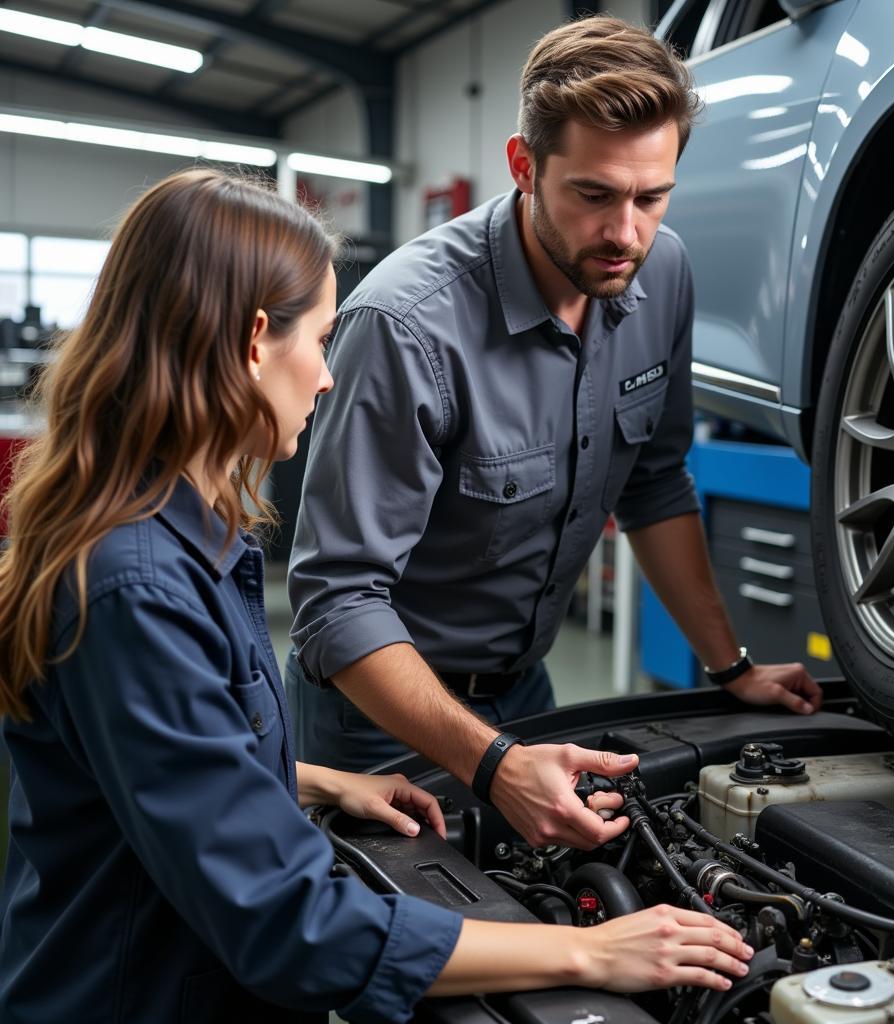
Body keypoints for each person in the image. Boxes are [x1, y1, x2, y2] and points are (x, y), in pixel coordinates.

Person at [0, 169, 754, 1024]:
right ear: (255, 342)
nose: (325, 379)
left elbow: (160, 763)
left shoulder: (187, 529)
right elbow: (291, 925)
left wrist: (311, 781)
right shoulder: (138, 585)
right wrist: (592, 950)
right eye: (320, 341)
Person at [286, 14, 824, 850]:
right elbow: (337, 605)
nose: (626, 234)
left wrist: (732, 667)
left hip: (529, 694)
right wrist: (492, 763)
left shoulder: (665, 269)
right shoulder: (408, 325)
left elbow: (656, 483)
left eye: (652, 197)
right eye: (594, 195)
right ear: (524, 165)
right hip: (379, 717)